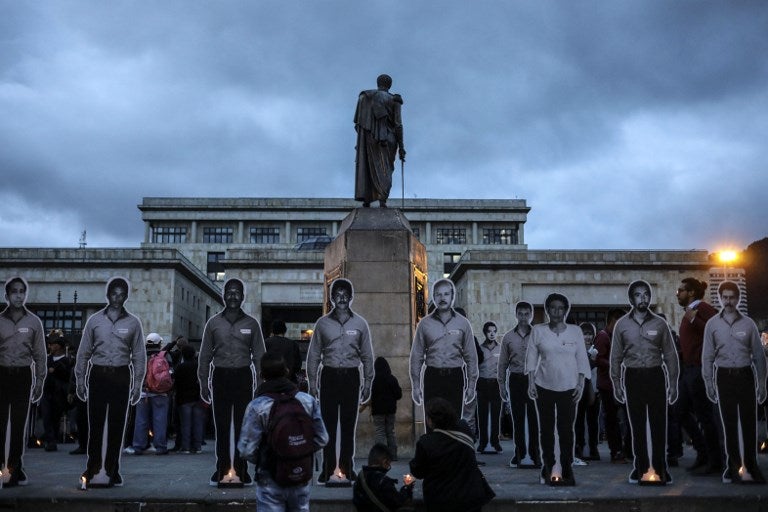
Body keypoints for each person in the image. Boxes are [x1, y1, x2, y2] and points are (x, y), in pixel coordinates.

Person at [75, 277, 145, 487]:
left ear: (126, 297)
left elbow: (139, 355)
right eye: (113, 294)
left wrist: (137, 384)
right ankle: (93, 467)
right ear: (108, 295)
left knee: (117, 426)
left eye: (121, 294)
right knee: (95, 425)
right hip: (98, 375)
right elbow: (83, 352)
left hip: (121, 375)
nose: (117, 298)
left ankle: (112, 471)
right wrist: (80, 379)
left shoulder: (133, 323)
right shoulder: (94, 321)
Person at [238, 352, 328, 512]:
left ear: (261, 375)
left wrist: (269, 458)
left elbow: (246, 450)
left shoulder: (256, 406)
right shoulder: (307, 400)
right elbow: (322, 438)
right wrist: (298, 452)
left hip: (270, 478)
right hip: (300, 475)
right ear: (286, 371)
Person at [198, 278, 266, 486]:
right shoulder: (213, 323)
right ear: (223, 295)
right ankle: (221, 469)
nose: (233, 296)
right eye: (229, 292)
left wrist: (260, 384)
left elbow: (260, 356)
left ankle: (242, 470)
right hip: (220, 377)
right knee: (222, 426)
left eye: (237, 292)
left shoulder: (252, 324)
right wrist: (203, 382)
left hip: (243, 377)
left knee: (242, 426)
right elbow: (205, 355)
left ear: (243, 297)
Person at [611, 280, 679, 485]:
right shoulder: (622, 325)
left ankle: (660, 469)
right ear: (631, 299)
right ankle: (640, 468)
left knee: (659, 425)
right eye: (638, 295)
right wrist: (616, 382)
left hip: (655, 375)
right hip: (632, 377)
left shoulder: (660, 323)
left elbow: (670, 354)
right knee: (637, 426)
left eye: (646, 294)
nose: (643, 298)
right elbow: (615, 356)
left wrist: (674, 383)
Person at [306, 278, 374, 482]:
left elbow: (367, 355)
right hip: (329, 376)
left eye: (346, 294)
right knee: (327, 425)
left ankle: (346, 467)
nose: (342, 298)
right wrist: (312, 383)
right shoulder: (322, 323)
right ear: (332, 298)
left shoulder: (360, 324)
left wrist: (368, 382)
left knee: (347, 425)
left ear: (351, 297)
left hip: (352, 377)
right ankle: (328, 470)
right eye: (338, 294)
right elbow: (314, 354)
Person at [702, 281, 767, 484]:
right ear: (720, 298)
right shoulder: (712, 325)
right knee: (729, 424)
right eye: (725, 297)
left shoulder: (748, 324)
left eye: (732, 297)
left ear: (737, 299)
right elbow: (707, 357)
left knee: (749, 424)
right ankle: (733, 468)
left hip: (745, 375)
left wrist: (762, 383)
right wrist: (709, 383)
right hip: (724, 376)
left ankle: (751, 466)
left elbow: (758, 355)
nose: (728, 301)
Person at [526, 293, 590, 486]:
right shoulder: (538, 331)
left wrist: (580, 384)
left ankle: (565, 467)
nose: (556, 311)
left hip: (569, 387)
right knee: (545, 430)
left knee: (566, 430)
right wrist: (530, 382)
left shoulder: (575, 331)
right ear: (547, 310)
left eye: (560, 308)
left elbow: (581, 359)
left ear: (565, 310)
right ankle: (548, 466)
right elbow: (531, 357)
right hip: (543, 385)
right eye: (552, 308)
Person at [410, 279, 478, 429]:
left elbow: (471, 357)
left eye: (446, 294)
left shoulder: (463, 323)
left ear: (452, 296)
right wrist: (415, 384)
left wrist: (471, 385)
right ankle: (433, 453)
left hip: (454, 378)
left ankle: (451, 452)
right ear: (433, 296)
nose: (442, 298)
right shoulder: (425, 324)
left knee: (453, 424)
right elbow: (417, 355)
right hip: (432, 377)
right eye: (438, 294)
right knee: (432, 424)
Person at [0, 276, 47, 487]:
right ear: (7, 295)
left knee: (19, 426)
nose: (19, 295)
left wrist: (39, 381)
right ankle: (2, 468)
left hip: (22, 376)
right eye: (14, 292)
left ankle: (15, 469)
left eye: (22, 291)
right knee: (1, 425)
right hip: (2, 374)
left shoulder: (34, 321)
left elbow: (40, 354)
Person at [409, 398, 495, 512]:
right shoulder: (464, 428)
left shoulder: (426, 443)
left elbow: (418, 471)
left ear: (430, 420)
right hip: (470, 497)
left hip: (441, 499)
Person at [676, 277, 723, 476]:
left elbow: (715, 332)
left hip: (699, 370)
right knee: (679, 411)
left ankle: (715, 460)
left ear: (692, 292)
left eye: (680, 291)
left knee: (705, 416)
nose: (677, 294)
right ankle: (703, 452)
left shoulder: (702, 309)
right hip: (688, 370)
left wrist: (694, 319)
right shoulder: (689, 312)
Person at [498, 301, 540, 468]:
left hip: (534, 380)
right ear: (516, 315)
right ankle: (520, 453)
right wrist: (501, 384)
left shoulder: (538, 334)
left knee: (534, 418)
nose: (523, 317)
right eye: (520, 314)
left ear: (531, 315)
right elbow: (502, 363)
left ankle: (535, 454)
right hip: (515, 379)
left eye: (526, 314)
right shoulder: (508, 337)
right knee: (518, 419)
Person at [354, 73, 406, 208]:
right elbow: (398, 124)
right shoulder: (394, 100)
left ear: (378, 84)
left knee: (370, 165)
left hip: (370, 137)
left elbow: (359, 124)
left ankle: (367, 198)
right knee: (386, 169)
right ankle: (382, 198)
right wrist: (401, 147)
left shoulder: (365, 97)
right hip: (389, 138)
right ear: (390, 85)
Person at [124, 333, 173, 456]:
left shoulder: (139, 356)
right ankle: (160, 447)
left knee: (141, 420)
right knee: (160, 420)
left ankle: (138, 446)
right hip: (161, 394)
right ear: (159, 343)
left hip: (142, 393)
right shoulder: (165, 356)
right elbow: (171, 373)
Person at [594, 308, 631, 464]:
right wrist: (614, 365)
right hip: (608, 385)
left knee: (628, 419)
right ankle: (615, 451)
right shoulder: (603, 337)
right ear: (612, 320)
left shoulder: (619, 336)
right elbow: (598, 359)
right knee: (612, 420)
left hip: (620, 383)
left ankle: (627, 450)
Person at [353, 443, 414, 512]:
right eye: (388, 465)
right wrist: (407, 487)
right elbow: (398, 502)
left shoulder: (360, 476)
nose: (388, 468)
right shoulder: (383, 481)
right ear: (384, 462)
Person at [40, 330, 73, 453]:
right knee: (46, 416)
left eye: (52, 344)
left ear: (58, 345)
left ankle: (52, 440)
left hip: (59, 394)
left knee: (55, 417)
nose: (49, 346)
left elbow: (67, 376)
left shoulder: (66, 360)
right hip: (46, 391)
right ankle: (50, 441)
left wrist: (57, 370)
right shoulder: (47, 359)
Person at [174, 344, 207, 454]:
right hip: (197, 397)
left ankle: (186, 447)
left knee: (185, 424)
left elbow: (176, 382)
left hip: (183, 398)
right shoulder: (198, 366)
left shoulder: (180, 367)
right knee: (198, 423)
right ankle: (197, 446)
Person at [575, 322, 600, 462]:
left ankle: (593, 447)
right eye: (585, 334)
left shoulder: (596, 350)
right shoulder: (576, 350)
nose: (588, 337)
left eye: (590, 334)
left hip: (594, 389)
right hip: (579, 389)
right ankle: (579, 446)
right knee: (578, 420)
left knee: (593, 420)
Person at [476, 321, 502, 453]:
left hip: (496, 384)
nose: (492, 334)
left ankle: (495, 442)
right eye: (489, 331)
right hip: (482, 383)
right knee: (483, 415)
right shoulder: (480, 349)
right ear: (485, 333)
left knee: (496, 415)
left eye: (494, 331)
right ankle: (483, 443)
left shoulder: (501, 348)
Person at [370, 357, 403, 461]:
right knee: (390, 432)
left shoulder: (373, 380)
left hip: (377, 411)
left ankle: (380, 457)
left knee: (380, 432)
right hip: (390, 410)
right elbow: (398, 395)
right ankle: (393, 455)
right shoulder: (392, 379)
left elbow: (369, 395)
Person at [265, 319, 302, 384]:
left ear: (272, 330)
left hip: (270, 381)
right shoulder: (293, 344)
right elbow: (298, 365)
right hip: (289, 381)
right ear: (285, 330)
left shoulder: (265, 343)